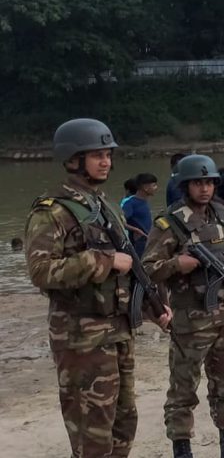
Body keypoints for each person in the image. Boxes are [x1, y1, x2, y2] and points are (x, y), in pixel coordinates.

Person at [24, 118, 171, 457]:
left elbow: (130, 265)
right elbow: (40, 271)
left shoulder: (103, 205)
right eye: (96, 155)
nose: (106, 161)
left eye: (107, 154)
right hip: (81, 339)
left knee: (123, 421)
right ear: (73, 159)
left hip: (118, 332)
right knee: (92, 430)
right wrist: (102, 261)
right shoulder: (53, 210)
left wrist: (154, 308)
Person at [142, 155, 224, 458]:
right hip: (191, 321)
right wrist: (177, 264)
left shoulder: (222, 213)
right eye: (198, 183)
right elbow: (147, 269)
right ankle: (182, 449)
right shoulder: (168, 222)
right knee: (183, 389)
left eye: (209, 182)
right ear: (186, 185)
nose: (205, 188)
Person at [122, 173, 158, 254]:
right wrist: (136, 230)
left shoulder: (144, 201)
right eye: (154, 185)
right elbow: (120, 222)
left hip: (147, 240)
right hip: (139, 243)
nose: (156, 188)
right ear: (145, 188)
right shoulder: (130, 203)